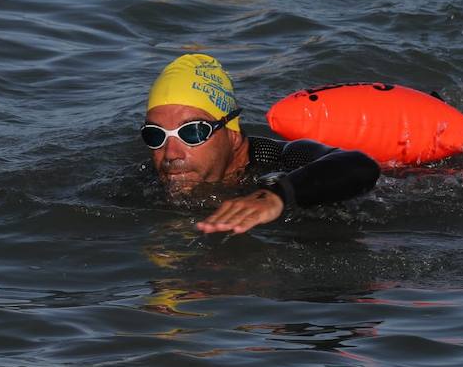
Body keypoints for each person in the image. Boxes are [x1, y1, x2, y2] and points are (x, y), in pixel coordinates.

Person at [143, 54, 380, 234]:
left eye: (193, 132)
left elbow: (361, 166)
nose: (170, 154)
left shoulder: (283, 159)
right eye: (156, 136)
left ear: (232, 134)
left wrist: (277, 196)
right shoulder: (150, 183)